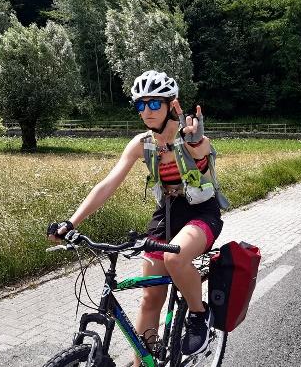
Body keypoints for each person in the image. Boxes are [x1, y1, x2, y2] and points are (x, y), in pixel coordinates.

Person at [47, 70, 228, 364]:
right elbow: (107, 184)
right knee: (150, 296)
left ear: (172, 105)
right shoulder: (142, 143)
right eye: (140, 105)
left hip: (201, 213)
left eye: (154, 104)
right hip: (165, 215)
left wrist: (196, 145)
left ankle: (199, 315)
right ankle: (146, 360)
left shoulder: (192, 138)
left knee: (175, 258)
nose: (146, 111)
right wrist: (72, 222)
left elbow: (202, 152)